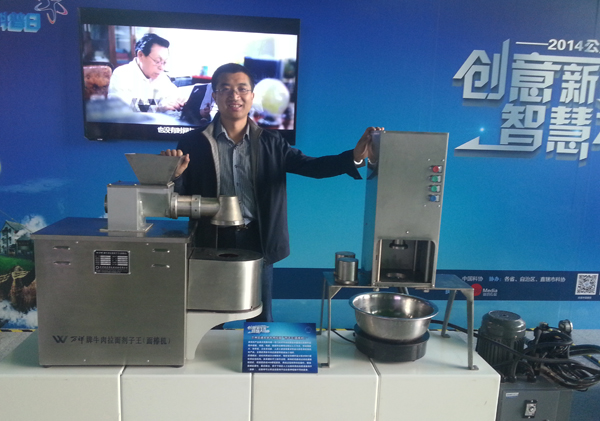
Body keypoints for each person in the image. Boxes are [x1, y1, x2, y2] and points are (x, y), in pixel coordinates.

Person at [162, 63, 383, 322]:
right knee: (209, 315)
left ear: (252, 96)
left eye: (242, 88)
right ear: (215, 95)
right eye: (226, 89)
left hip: (258, 239)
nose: (234, 95)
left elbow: (313, 167)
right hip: (210, 239)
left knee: (259, 317)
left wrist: (355, 156)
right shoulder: (192, 142)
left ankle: (258, 348)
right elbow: (182, 197)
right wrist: (173, 175)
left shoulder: (272, 142)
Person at [108, 33, 185, 113]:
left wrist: (178, 102)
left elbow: (174, 96)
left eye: (164, 62)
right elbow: (121, 111)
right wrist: (158, 108)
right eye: (157, 61)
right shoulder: (122, 74)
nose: (162, 68)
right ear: (140, 55)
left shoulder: (161, 76)